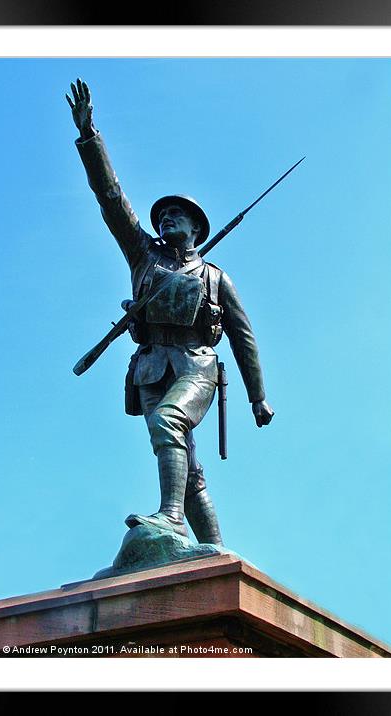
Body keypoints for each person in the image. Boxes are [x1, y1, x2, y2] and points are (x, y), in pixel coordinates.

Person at [66, 78, 274, 546]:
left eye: (176, 216)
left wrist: (257, 397)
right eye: (162, 217)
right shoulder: (144, 256)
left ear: (197, 228)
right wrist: (89, 137)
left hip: (196, 364)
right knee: (188, 466)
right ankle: (215, 551)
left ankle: (172, 517)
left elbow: (243, 338)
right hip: (149, 369)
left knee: (169, 423)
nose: (165, 220)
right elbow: (111, 199)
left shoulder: (217, 278)